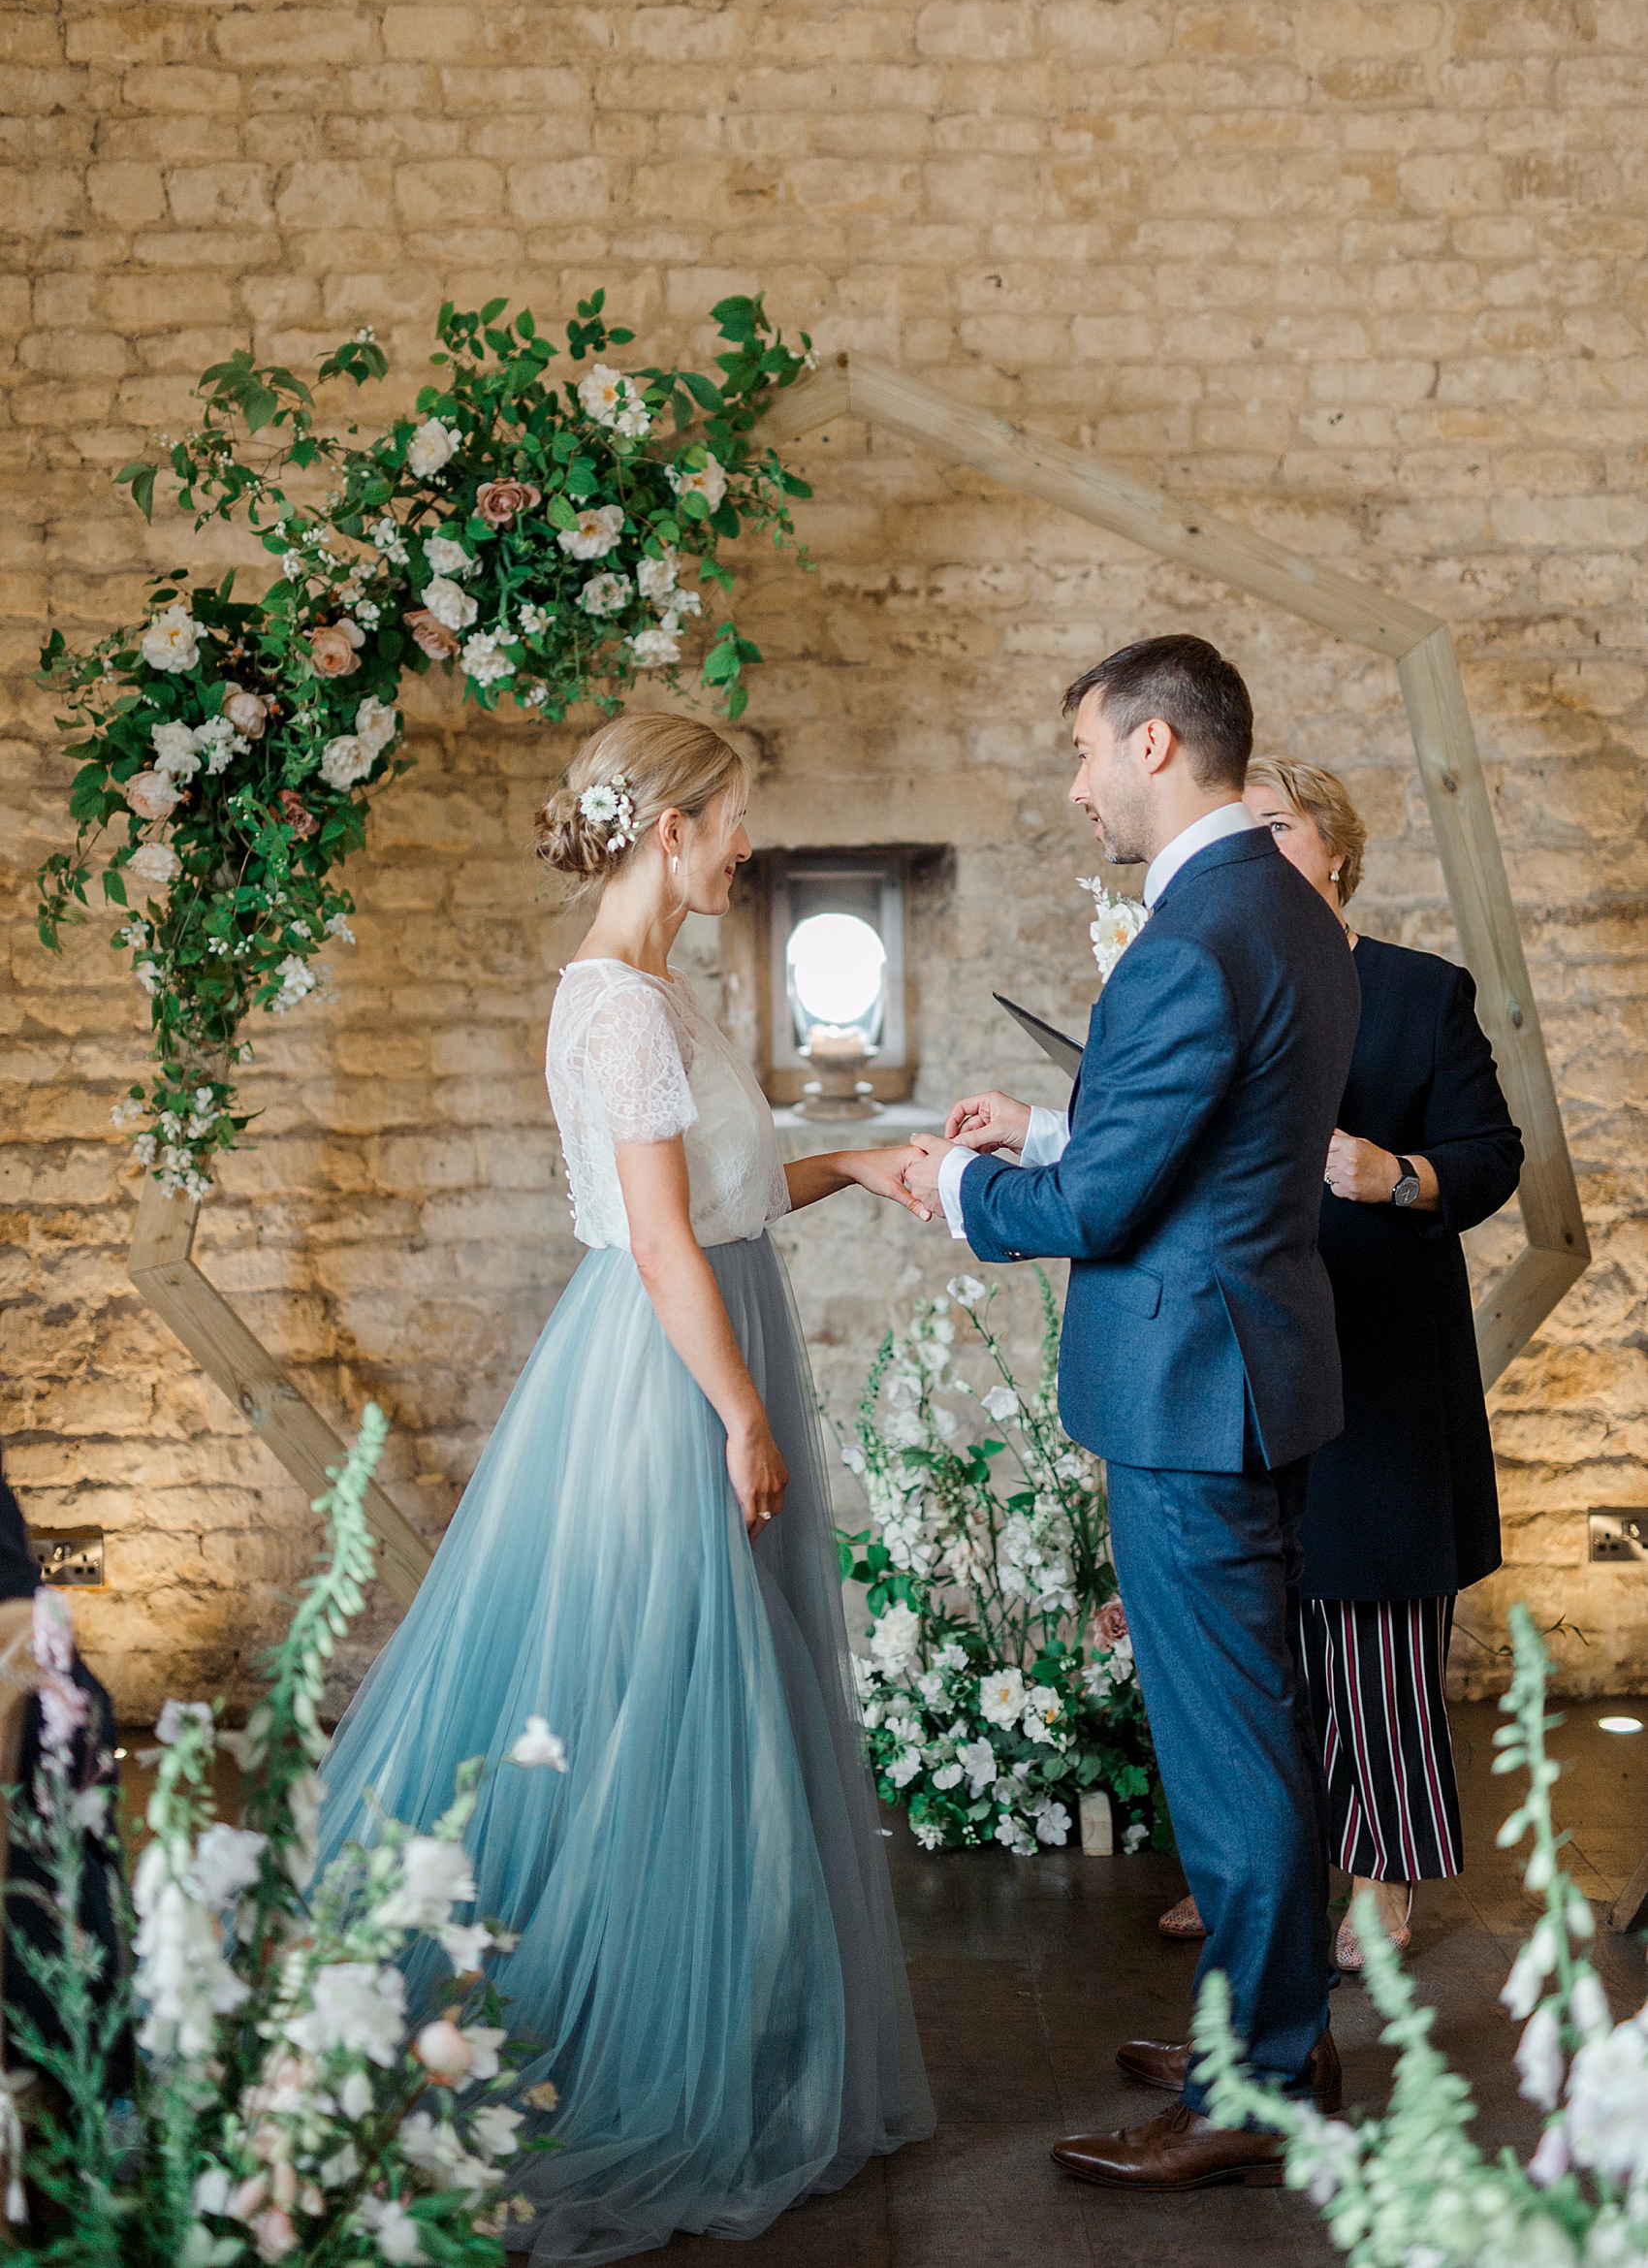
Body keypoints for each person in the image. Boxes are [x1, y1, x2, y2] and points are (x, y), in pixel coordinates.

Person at [314, 713, 934, 2264]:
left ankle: (725, 2015)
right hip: (666, 1370)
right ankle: (633, 2036)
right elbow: (661, 1242)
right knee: (662, 1687)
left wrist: (858, 1158)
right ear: (670, 826)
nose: (745, 849)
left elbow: (723, 1193)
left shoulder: (662, 989)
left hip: (708, 1328)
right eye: (732, 822)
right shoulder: (616, 1006)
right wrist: (736, 1410)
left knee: (716, 1684)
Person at [903, 634, 1361, 2193]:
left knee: (1229, 1754)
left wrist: (963, 1186)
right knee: (1261, 1732)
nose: (1079, 782)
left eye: (1088, 750)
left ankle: (1258, 2077)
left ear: (1158, 744)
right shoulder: (1286, 910)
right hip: (1258, 1361)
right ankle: (1284, 2027)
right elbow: (1206, 1132)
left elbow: (1108, 1198)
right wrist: (1040, 1120)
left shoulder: (1190, 935)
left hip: (1191, 1391)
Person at [1243, 755, 1522, 1968]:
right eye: (1238, 830)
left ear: (1336, 853)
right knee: (1257, 1631)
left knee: (1375, 1638)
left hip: (1381, 1361)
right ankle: (1262, 1875)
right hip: (1248, 1353)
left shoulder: (1416, 994)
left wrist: (1396, 1175)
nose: (1256, 848)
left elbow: (1491, 1153)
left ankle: (1384, 1886)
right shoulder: (1220, 982)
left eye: (1279, 827)